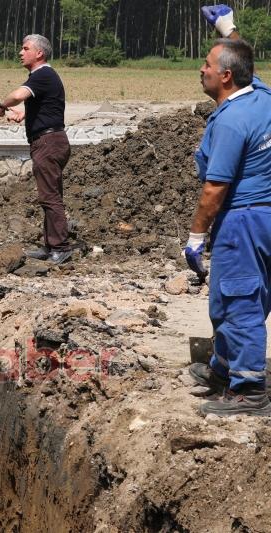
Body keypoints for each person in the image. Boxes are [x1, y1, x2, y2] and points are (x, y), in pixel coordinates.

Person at [185, 5, 271, 416]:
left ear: (224, 77)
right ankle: (224, 369)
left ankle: (248, 391)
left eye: (206, 65)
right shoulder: (262, 97)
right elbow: (248, 67)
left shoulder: (232, 122)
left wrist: (195, 238)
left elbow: (214, 188)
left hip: (242, 218)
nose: (200, 70)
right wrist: (228, 29)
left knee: (240, 303)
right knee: (229, 297)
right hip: (265, 216)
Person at [0, 34, 73, 265]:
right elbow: (50, 105)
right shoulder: (45, 78)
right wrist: (25, 114)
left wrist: (2, 105)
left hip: (48, 144)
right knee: (50, 196)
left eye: (25, 48)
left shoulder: (42, 74)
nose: (20, 52)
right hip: (52, 141)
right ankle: (51, 246)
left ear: (39, 53)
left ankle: (60, 247)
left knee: (50, 197)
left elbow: (18, 95)